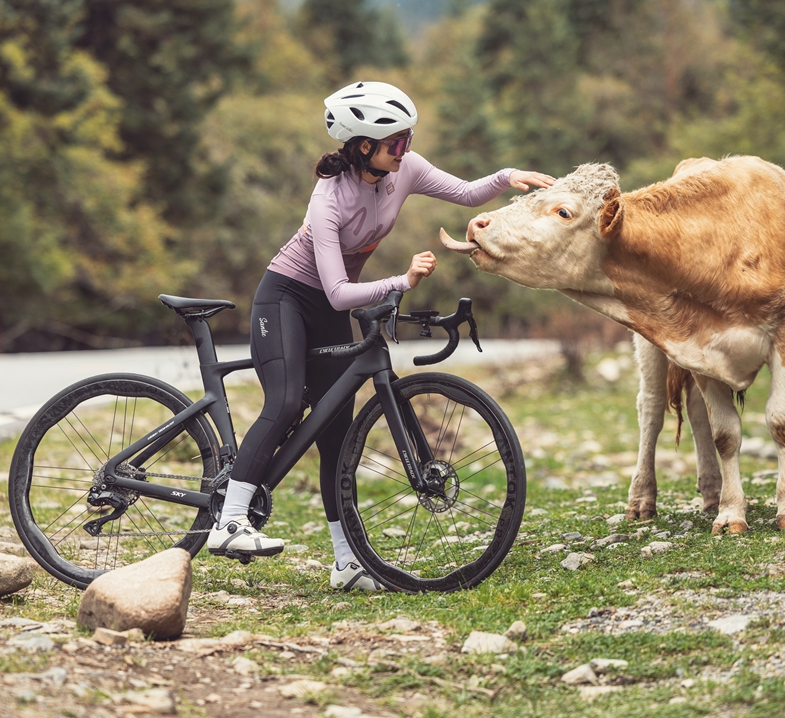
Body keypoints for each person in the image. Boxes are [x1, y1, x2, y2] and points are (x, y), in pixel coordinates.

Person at [207, 81, 555, 590]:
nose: (406, 149)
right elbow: (338, 293)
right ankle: (229, 522)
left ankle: (347, 563)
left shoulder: (404, 170)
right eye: (397, 141)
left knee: (336, 435)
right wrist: (402, 281)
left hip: (326, 305)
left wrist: (509, 176)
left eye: (409, 139)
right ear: (364, 144)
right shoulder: (328, 198)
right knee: (284, 404)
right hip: (286, 298)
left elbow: (463, 192)